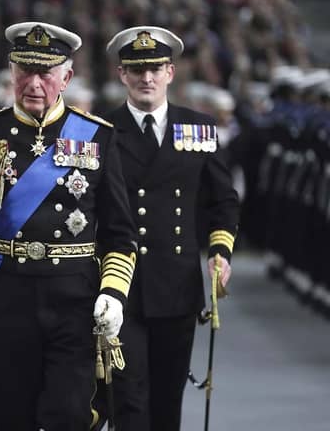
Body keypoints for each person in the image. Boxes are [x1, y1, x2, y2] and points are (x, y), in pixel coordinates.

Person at [0, 21, 137, 431]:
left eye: (45, 73)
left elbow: (120, 233)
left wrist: (113, 293)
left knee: (69, 412)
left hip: (74, 297)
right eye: (24, 70)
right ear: (11, 72)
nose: (33, 83)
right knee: (9, 416)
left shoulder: (98, 138)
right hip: (5, 297)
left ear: (67, 76)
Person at [101, 26, 240, 431]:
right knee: (127, 398)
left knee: (167, 399)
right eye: (136, 69)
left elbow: (223, 200)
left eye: (155, 69)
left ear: (170, 73)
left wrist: (221, 252)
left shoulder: (197, 129)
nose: (147, 78)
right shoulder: (102, 131)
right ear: (122, 75)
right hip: (118, 287)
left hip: (176, 288)